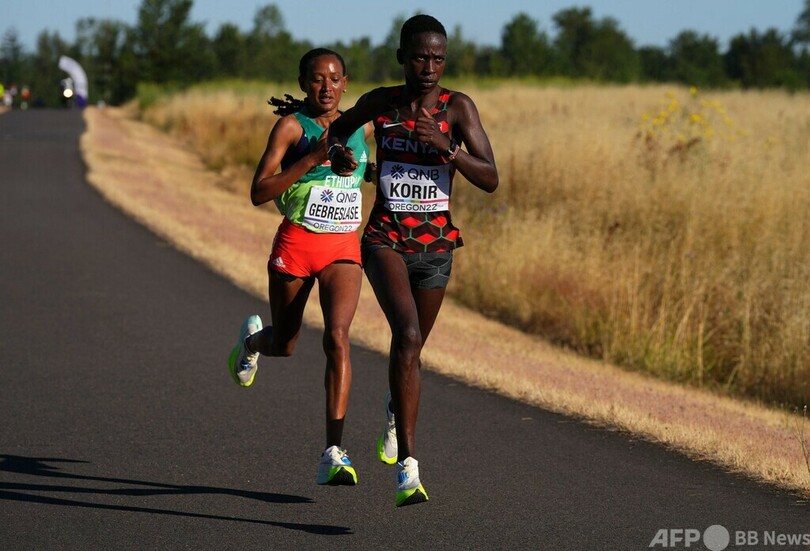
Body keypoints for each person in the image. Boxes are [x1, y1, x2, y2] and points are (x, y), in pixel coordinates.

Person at [327, 14, 499, 506]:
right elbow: (338, 133)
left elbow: (490, 178)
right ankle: (409, 467)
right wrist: (343, 156)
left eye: (439, 57)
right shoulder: (383, 102)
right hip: (385, 238)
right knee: (405, 335)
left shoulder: (457, 108)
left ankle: (393, 408)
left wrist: (448, 149)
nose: (430, 66)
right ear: (402, 56)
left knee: (413, 349)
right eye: (421, 56)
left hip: (437, 245)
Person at [228, 47, 373, 487]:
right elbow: (258, 191)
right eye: (316, 79)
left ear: (346, 83)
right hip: (296, 244)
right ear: (303, 83)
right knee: (285, 344)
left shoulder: (361, 127)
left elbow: (376, 171)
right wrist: (313, 159)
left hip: (343, 249)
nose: (325, 87)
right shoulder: (291, 127)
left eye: (334, 78)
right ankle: (253, 341)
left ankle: (333, 451)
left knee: (338, 338)